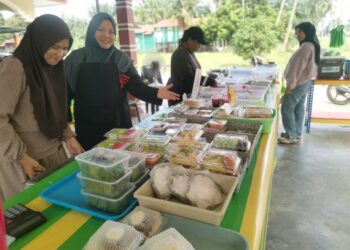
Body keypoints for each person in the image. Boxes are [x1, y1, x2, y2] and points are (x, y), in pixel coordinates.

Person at [65, 12, 179, 150]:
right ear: (91, 31)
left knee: (121, 162)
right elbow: (65, 93)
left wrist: (155, 93)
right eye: (100, 29)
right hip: (88, 126)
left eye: (111, 31)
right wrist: (66, 129)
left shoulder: (121, 59)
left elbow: (135, 85)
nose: (107, 35)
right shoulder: (77, 58)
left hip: (118, 124)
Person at [0, 14, 84, 201]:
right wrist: (21, 156)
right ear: (39, 41)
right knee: (32, 214)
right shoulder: (15, 67)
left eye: (64, 48)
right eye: (54, 46)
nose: (60, 53)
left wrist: (69, 137)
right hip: (25, 161)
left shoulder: (53, 68)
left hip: (53, 153)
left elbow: (57, 111)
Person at [279, 22, 320, 144]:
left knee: (286, 107)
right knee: (298, 107)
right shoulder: (312, 45)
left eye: (300, 32)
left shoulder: (306, 47)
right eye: (296, 32)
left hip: (299, 83)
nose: (297, 35)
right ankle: (296, 133)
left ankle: (290, 135)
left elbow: (296, 69)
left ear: (307, 32)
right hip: (306, 82)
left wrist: (289, 86)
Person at [167, 26, 217, 106]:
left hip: (189, 96)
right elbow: (188, 78)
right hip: (179, 98)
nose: (199, 46)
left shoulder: (189, 52)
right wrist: (208, 81)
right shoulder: (180, 54)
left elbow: (195, 74)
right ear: (190, 40)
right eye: (198, 43)